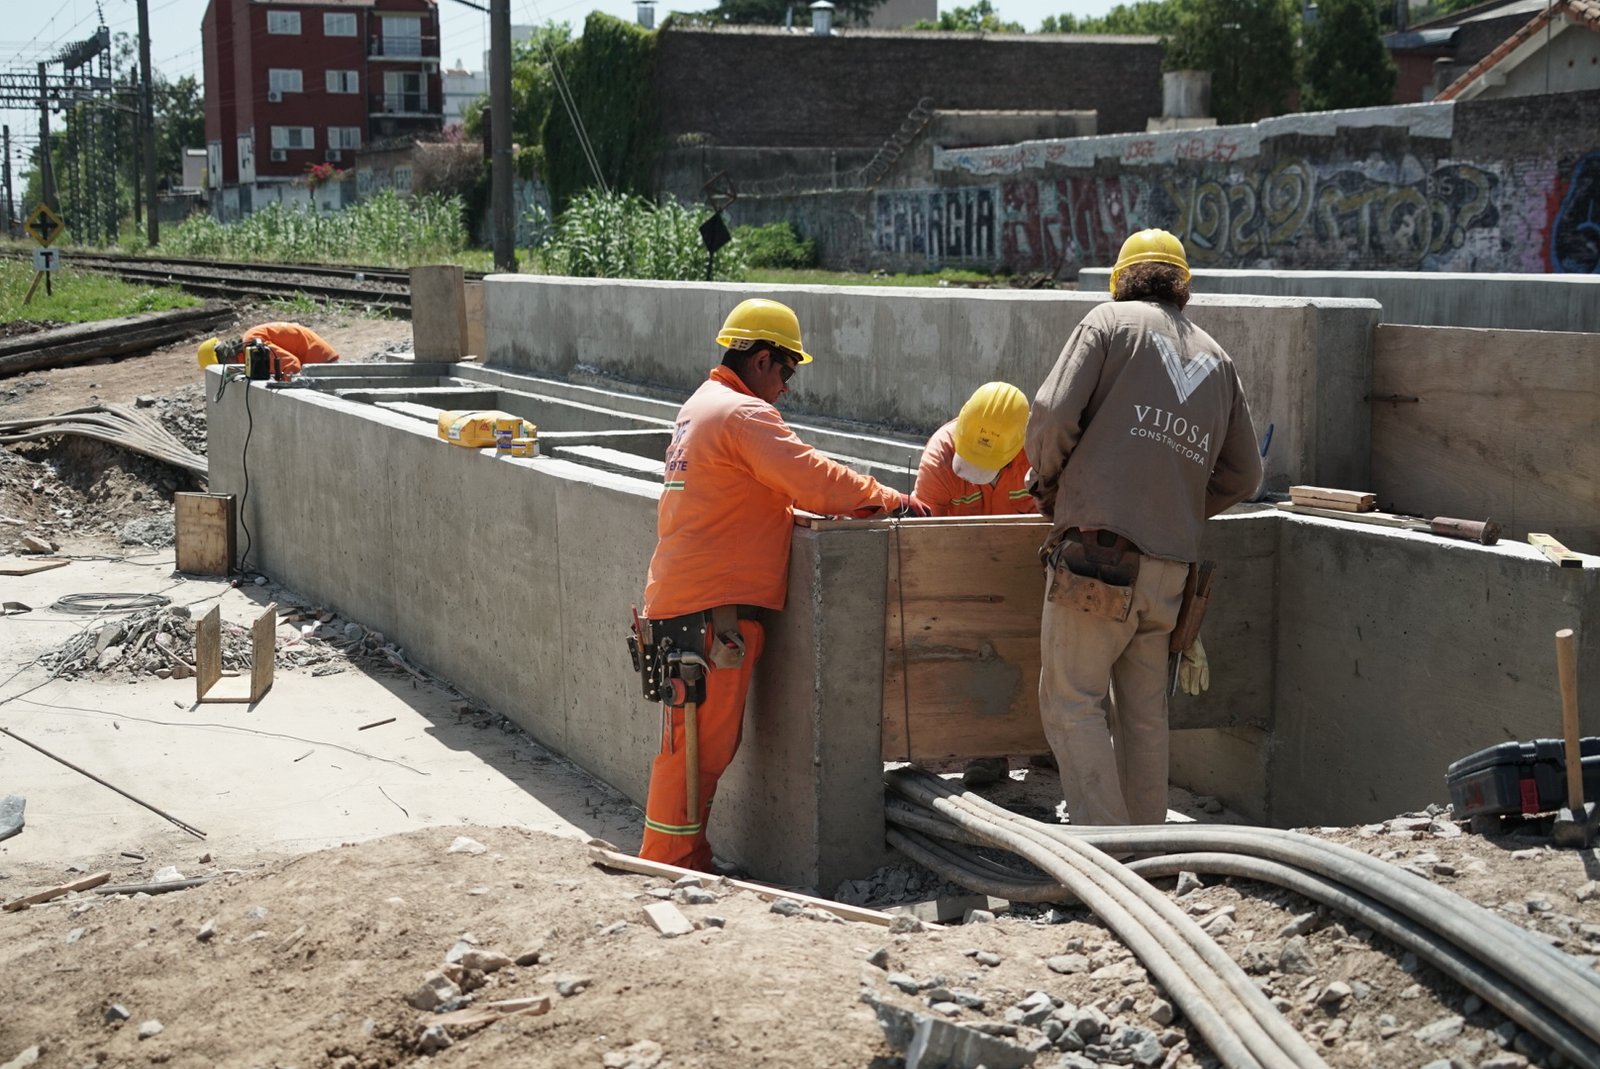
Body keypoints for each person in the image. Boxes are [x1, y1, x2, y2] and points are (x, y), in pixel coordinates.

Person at [635, 298, 929, 870]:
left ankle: (673, 857)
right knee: (697, 752)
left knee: (689, 745)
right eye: (788, 371)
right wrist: (891, 500)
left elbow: (745, 496)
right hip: (708, 614)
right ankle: (671, 864)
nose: (787, 387)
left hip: (687, 604)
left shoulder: (700, 407)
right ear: (764, 358)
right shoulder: (744, 415)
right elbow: (814, 480)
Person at [1024, 228, 1262, 827]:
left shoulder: (1108, 324)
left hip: (1097, 560)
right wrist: (1176, 509)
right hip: (1169, 574)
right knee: (1144, 717)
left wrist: (1051, 486)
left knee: (1071, 703)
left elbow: (1051, 415)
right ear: (1183, 287)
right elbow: (1245, 475)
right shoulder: (1219, 358)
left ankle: (1107, 850)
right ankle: (1149, 848)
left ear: (1121, 280)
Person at [914, 381, 1042, 787]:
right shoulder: (942, 454)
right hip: (960, 571)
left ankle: (1042, 738)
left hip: (1021, 571)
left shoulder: (1038, 454)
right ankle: (987, 746)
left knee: (1039, 645)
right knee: (976, 648)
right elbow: (922, 538)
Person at [914, 381, 1037, 519]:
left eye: (984, 464)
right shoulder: (939, 459)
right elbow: (924, 530)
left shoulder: (1040, 455)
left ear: (1017, 447)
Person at [197, 322, 341, 379]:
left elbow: (291, 365)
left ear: (225, 358)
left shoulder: (253, 344)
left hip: (320, 363)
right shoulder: (249, 345)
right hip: (314, 360)